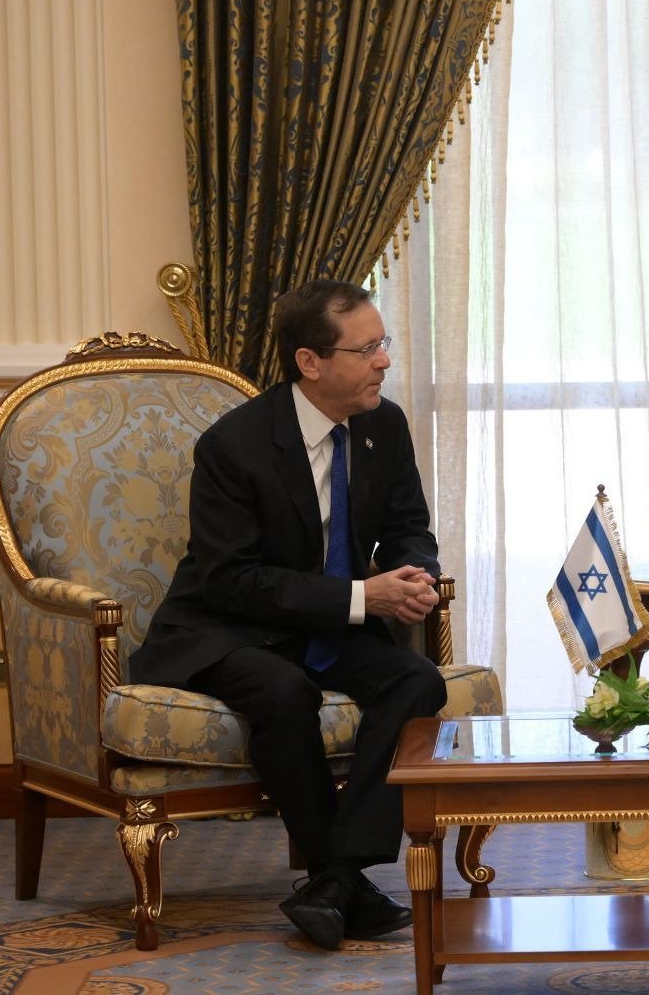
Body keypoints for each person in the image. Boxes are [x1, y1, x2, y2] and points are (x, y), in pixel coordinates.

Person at [132, 279, 448, 950]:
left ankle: (336, 877)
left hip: (325, 623)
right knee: (282, 691)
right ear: (311, 362)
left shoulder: (383, 425)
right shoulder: (234, 445)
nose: (385, 361)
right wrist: (363, 598)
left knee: (417, 679)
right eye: (367, 349)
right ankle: (340, 877)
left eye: (383, 343)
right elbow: (232, 580)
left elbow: (408, 526)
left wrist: (413, 573)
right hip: (227, 627)